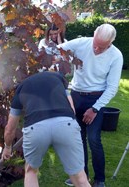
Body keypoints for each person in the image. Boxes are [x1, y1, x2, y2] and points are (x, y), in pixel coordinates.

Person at [58, 24, 123, 187]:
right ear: (94, 34)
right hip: (76, 96)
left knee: (94, 139)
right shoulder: (82, 43)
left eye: (102, 47)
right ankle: (83, 177)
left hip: (96, 99)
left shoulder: (116, 56)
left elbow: (112, 87)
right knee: (78, 140)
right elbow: (58, 49)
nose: (96, 49)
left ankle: (99, 179)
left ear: (111, 42)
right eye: (95, 43)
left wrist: (95, 109)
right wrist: (62, 58)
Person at [2, 71, 91, 187]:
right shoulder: (58, 77)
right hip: (66, 124)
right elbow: (72, 108)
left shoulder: (20, 89)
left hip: (35, 128)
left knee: (31, 171)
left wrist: (8, 147)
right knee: (80, 177)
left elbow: (10, 128)